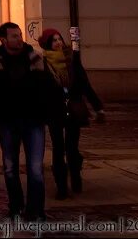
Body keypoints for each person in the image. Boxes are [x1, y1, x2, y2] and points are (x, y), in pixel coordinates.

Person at [0, 22, 60, 221]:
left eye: (20, 35)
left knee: (35, 168)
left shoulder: (35, 58)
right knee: (10, 167)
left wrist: (45, 110)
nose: (19, 39)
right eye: (14, 36)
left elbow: (51, 87)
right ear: (3, 39)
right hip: (7, 121)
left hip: (34, 121)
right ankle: (15, 207)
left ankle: (36, 211)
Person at [38, 28, 104, 199]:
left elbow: (85, 85)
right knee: (58, 149)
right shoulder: (43, 64)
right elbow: (39, 91)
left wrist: (97, 107)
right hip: (54, 111)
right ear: (47, 44)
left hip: (74, 109)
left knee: (72, 147)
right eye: (53, 40)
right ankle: (61, 186)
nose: (58, 43)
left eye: (59, 39)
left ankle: (75, 176)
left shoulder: (72, 61)